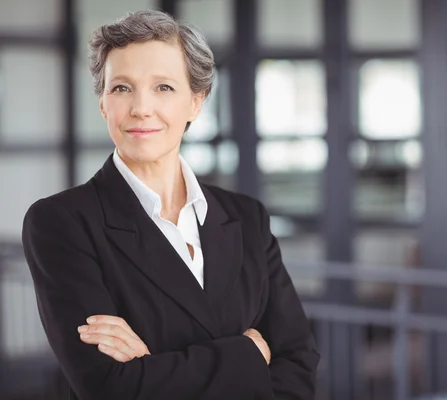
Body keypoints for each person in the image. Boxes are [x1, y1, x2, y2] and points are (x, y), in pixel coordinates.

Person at [21, 10, 319, 400]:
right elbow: (110, 388)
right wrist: (248, 355)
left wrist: (154, 366)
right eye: (122, 88)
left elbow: (298, 365)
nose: (141, 108)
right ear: (102, 103)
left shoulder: (247, 218)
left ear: (196, 102)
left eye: (163, 87)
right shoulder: (61, 223)